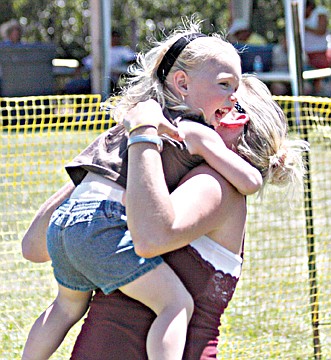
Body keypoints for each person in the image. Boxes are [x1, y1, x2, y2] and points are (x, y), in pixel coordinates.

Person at [21, 72, 309, 359]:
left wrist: (142, 134)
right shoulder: (158, 175)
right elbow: (35, 246)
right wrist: (106, 163)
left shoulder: (216, 184)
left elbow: (151, 239)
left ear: (232, 119)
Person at [304, 0, 331, 94]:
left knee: (321, 84)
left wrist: (305, 28)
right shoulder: (298, 14)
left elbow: (321, 30)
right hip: (306, 56)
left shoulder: (320, 12)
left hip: (320, 54)